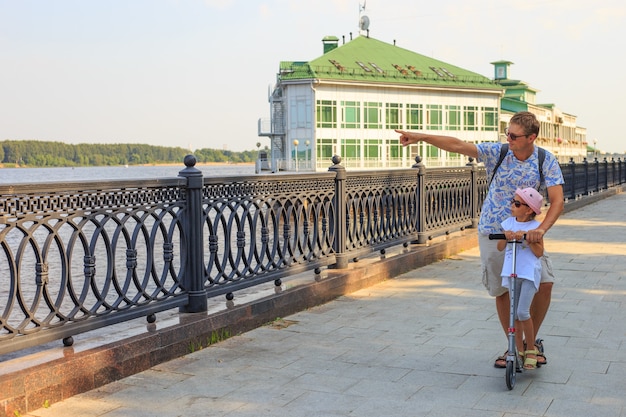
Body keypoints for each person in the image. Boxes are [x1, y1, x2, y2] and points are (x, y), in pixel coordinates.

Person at [396, 111, 564, 367]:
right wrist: (421, 137)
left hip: (527, 233)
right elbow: (458, 145)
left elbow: (557, 200)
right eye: (507, 133)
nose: (508, 138)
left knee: (545, 283)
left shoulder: (545, 160)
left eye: (514, 135)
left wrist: (540, 229)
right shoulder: (498, 152)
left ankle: (531, 343)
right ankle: (514, 347)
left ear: (531, 137)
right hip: (493, 231)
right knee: (502, 289)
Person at [497, 187, 545, 370]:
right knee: (513, 314)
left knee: (523, 312)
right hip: (511, 272)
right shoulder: (508, 223)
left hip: (527, 273)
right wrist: (506, 236)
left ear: (529, 210)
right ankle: (517, 349)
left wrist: (529, 239)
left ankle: (531, 349)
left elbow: (540, 253)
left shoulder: (535, 228)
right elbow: (500, 247)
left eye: (517, 204)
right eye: (513, 202)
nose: (512, 206)